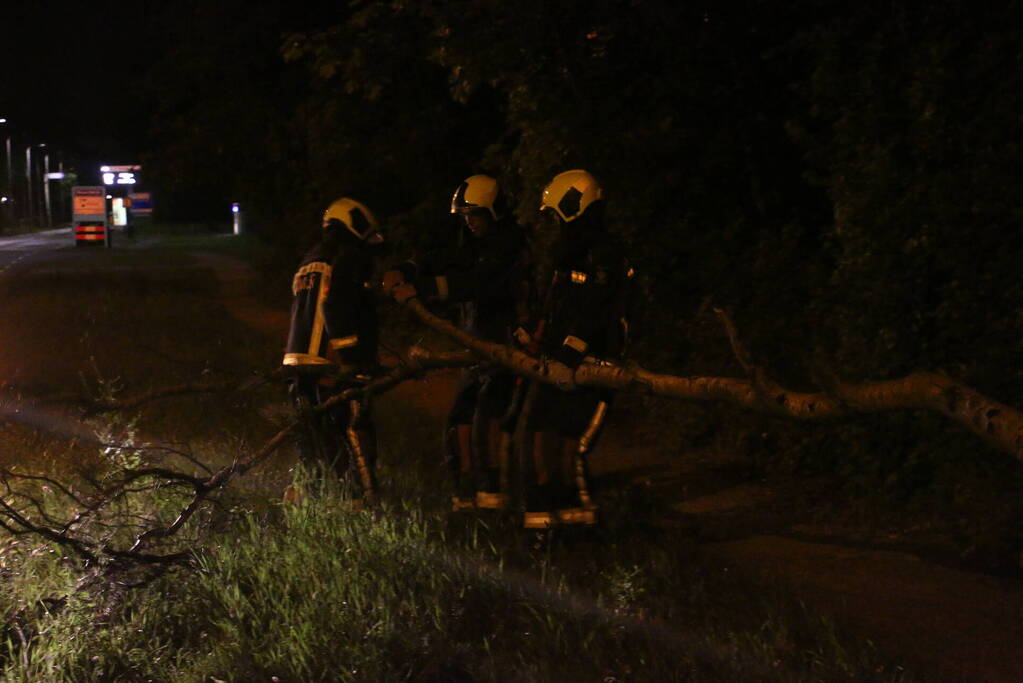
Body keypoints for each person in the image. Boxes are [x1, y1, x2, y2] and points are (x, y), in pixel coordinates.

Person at [383, 174, 530, 511]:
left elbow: (478, 283)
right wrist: (405, 269)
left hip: (503, 343)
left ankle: (493, 495)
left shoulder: (509, 244)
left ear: (493, 212)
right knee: (459, 418)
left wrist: (423, 287)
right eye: (464, 216)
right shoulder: (473, 241)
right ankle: (465, 493)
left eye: (474, 215)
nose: (469, 222)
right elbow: (445, 258)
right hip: (475, 343)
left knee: (486, 418)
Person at [521, 169, 635, 529]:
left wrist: (571, 354)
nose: (553, 221)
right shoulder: (567, 253)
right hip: (559, 361)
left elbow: (597, 308)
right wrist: (534, 334)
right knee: (541, 427)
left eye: (556, 213)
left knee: (575, 441)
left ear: (573, 206)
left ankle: (582, 519)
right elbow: (556, 302)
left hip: (595, 362)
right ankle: (544, 512)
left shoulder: (605, 253)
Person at [283, 197, 383, 504]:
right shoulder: (348, 256)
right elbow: (335, 305)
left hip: (297, 360)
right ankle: (363, 496)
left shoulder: (308, 259)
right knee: (354, 423)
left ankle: (305, 496)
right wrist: (353, 356)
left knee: (312, 434)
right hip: (331, 360)